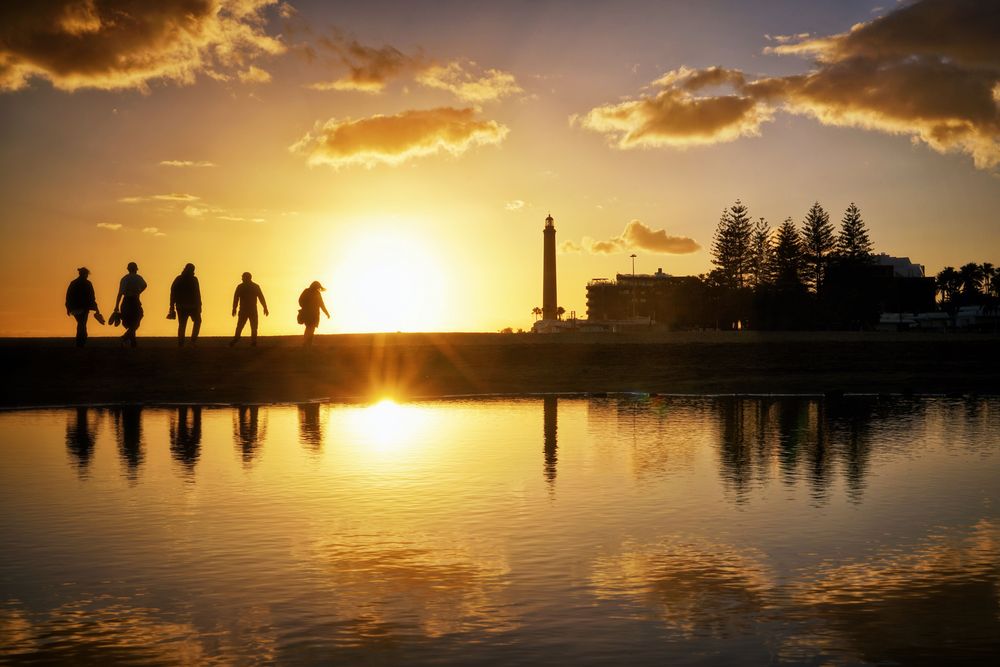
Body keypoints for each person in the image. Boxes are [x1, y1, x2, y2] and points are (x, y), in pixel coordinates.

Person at [65, 267, 104, 347]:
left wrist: (68, 308)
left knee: (81, 323)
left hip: (74, 307)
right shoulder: (88, 283)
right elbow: (92, 297)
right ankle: (81, 340)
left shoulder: (73, 283)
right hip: (84, 307)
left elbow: (68, 296)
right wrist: (96, 308)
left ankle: (81, 340)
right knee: (82, 323)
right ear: (85, 274)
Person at [230, 272, 268, 347]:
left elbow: (261, 297)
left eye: (243, 277)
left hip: (247, 310)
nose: (242, 279)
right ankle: (240, 339)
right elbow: (261, 297)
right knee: (250, 326)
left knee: (247, 326)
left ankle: (241, 339)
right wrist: (265, 307)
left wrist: (265, 307)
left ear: (247, 278)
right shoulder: (254, 286)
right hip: (249, 310)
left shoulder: (241, 287)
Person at [114, 262, 146, 347]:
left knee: (130, 321)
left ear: (128, 269)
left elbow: (120, 293)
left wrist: (116, 305)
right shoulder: (138, 278)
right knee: (137, 318)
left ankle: (130, 340)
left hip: (126, 301)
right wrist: (139, 291)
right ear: (136, 269)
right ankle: (128, 338)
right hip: (135, 300)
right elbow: (145, 285)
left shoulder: (125, 278)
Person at [169, 263, 202, 347]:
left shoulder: (179, 279)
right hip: (192, 306)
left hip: (181, 306)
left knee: (182, 325)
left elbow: (173, 293)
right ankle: (192, 341)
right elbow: (197, 293)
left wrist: (172, 306)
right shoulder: (194, 280)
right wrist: (199, 305)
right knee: (197, 321)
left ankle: (181, 343)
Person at [298, 280, 329, 347]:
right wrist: (327, 313)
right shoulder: (316, 293)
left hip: (309, 315)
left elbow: (300, 301)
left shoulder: (307, 291)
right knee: (310, 329)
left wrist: (326, 313)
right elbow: (322, 305)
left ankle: (307, 344)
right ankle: (307, 344)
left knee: (309, 328)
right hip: (313, 315)